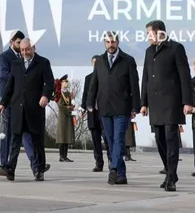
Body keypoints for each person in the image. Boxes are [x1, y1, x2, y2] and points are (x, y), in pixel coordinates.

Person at [139, 20, 194, 191]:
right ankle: (171, 172)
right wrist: (143, 103)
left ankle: (171, 178)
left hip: (171, 101)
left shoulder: (176, 48)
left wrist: (188, 102)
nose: (147, 37)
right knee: (159, 139)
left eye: (149, 33)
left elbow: (185, 76)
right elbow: (145, 78)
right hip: (154, 103)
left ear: (159, 32)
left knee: (171, 139)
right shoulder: (148, 52)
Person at [0, 38, 54, 181]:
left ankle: (39, 169)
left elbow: (49, 82)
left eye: (27, 49)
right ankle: (10, 169)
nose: (25, 53)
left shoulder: (43, 63)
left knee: (37, 141)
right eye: (22, 50)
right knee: (15, 140)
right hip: (18, 109)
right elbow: (10, 85)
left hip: (35, 109)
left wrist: (45, 95)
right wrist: (3, 102)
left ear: (33, 47)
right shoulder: (16, 64)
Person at [86, 31, 139, 186]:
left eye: (113, 42)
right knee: (110, 141)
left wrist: (136, 105)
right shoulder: (100, 61)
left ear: (118, 42)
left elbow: (134, 84)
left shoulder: (128, 60)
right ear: (104, 43)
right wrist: (90, 102)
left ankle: (114, 168)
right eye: (108, 42)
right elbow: (94, 83)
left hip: (122, 107)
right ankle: (121, 175)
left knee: (118, 140)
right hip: (104, 108)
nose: (111, 45)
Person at [80, 55, 110, 172]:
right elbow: (85, 94)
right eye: (93, 63)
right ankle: (99, 163)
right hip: (92, 113)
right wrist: (83, 108)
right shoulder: (88, 78)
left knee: (107, 138)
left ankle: (111, 161)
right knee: (95, 140)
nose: (95, 65)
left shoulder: (106, 76)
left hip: (104, 113)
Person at [54, 76, 75, 162]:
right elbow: (60, 105)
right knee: (62, 136)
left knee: (67, 136)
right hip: (63, 116)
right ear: (61, 83)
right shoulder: (59, 93)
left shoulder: (68, 93)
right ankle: (61, 156)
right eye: (65, 81)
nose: (67, 83)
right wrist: (69, 110)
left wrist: (72, 105)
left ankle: (65, 156)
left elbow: (69, 104)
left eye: (67, 82)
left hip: (68, 117)